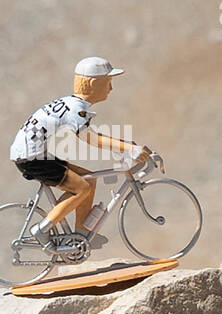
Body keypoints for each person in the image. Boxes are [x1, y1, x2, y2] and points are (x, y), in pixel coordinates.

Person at [9, 57, 151, 240]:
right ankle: (42, 230)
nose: (111, 88)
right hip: (33, 158)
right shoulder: (76, 109)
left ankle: (81, 235)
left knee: (89, 180)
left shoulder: (71, 102)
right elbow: (89, 138)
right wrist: (127, 149)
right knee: (82, 188)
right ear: (92, 83)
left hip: (35, 154)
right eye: (108, 82)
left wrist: (124, 146)